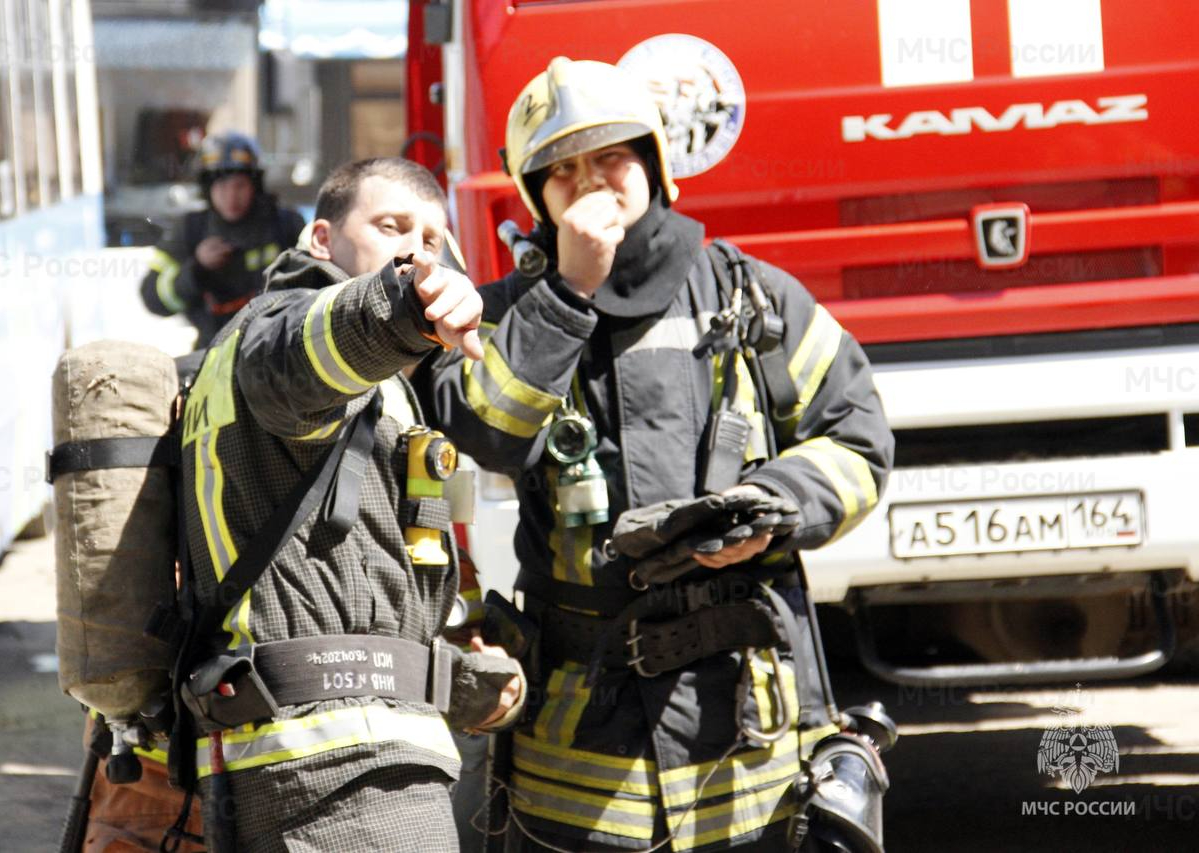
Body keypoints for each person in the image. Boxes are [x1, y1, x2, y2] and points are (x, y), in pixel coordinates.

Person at [421, 59, 896, 852]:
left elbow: (858, 439)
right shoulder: (506, 318)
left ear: (653, 161)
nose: (590, 182)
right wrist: (569, 293)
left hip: (747, 744)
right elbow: (491, 435)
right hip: (580, 763)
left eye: (609, 155)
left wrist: (771, 510)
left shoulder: (754, 297)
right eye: (561, 170)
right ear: (536, 197)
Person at [170, 156, 523, 851]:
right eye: (391, 226)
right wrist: (399, 305)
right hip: (344, 776)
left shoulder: (385, 384)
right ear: (321, 241)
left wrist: (456, 663)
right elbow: (307, 355)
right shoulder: (279, 328)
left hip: (333, 759)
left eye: (431, 238)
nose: (414, 251)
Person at [140, 132, 305, 348]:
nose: (231, 196)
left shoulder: (286, 224)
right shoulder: (191, 229)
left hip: (280, 349)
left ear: (255, 185)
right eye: (222, 186)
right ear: (208, 189)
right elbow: (153, 298)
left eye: (239, 185)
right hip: (214, 352)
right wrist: (197, 269)